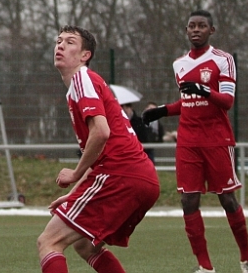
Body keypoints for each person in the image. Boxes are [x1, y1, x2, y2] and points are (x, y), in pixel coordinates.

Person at [37, 26, 159, 273]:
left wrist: (74, 174)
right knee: (85, 245)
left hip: (120, 175)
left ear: (85, 55)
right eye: (58, 41)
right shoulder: (83, 85)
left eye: (70, 42)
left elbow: (102, 133)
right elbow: (100, 151)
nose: (60, 45)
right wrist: (75, 193)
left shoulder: (82, 78)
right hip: (142, 178)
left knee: (49, 241)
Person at [143, 10, 248, 273]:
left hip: (216, 139)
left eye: (202, 26)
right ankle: (205, 266)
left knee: (227, 200)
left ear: (211, 30)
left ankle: (246, 259)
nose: (196, 30)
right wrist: (163, 110)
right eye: (192, 26)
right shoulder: (179, 64)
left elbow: (227, 101)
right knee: (188, 201)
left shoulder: (223, 59)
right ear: (186, 30)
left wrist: (204, 89)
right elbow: (189, 102)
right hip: (188, 142)